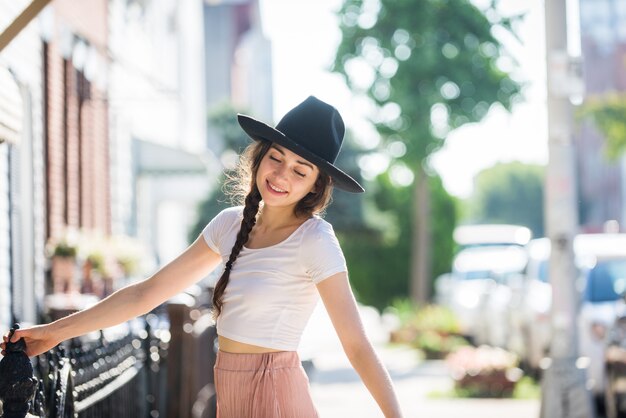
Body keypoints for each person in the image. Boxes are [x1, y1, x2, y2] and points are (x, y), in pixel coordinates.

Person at [2, 96, 403, 418]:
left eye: (301, 171)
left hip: (276, 393)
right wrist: (53, 333)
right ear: (259, 156)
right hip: (229, 390)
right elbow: (146, 293)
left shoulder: (315, 239)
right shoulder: (230, 225)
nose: (281, 175)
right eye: (276, 157)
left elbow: (357, 345)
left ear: (317, 185)